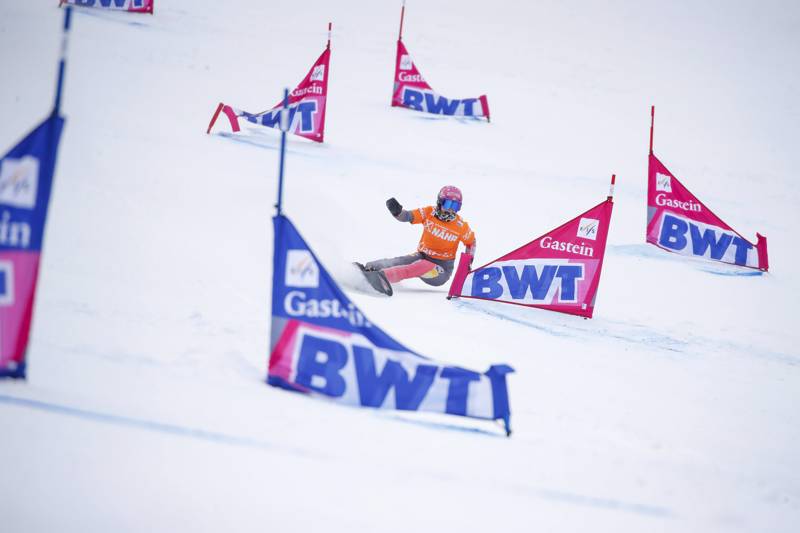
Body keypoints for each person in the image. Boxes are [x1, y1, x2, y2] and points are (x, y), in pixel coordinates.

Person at [361, 185, 476, 290]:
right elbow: (408, 216)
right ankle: (369, 268)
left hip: (440, 271)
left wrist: (467, 263)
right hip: (422, 256)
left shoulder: (461, 226)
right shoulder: (429, 212)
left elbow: (471, 242)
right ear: (440, 202)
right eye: (448, 204)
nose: (451, 209)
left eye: (455, 206)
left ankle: (383, 277)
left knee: (420, 265)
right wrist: (398, 212)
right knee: (402, 261)